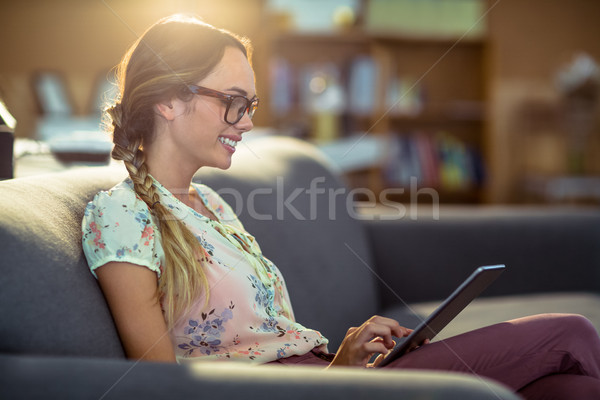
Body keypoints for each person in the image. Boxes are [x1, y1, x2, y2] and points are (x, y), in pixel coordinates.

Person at [82, 14, 600, 399]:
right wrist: (335, 382)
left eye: (252, 106)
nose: (245, 122)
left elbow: (267, 342)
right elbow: (160, 384)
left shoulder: (211, 203)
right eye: (234, 102)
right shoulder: (122, 216)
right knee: (572, 332)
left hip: (327, 379)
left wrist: (345, 361)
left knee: (566, 389)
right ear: (169, 100)